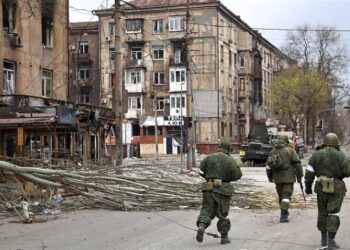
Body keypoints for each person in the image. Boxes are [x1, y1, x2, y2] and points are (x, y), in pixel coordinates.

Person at [305, 133, 350, 249]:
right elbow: (347, 171)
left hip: (321, 188)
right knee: (333, 213)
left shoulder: (316, 155)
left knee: (322, 213)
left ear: (324, 142)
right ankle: (331, 241)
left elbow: (309, 172)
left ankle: (323, 239)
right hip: (336, 188)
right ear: (336, 143)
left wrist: (308, 186)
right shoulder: (341, 156)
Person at [196, 140, 242, 244]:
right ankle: (224, 237)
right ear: (228, 149)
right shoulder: (230, 160)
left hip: (209, 186)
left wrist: (208, 178)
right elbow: (238, 175)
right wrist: (228, 179)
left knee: (207, 209)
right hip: (223, 187)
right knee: (223, 213)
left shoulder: (209, 157)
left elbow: (200, 171)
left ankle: (202, 226)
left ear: (219, 147)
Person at [266, 135, 303, 223]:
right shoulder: (290, 150)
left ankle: (284, 211)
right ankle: (284, 216)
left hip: (277, 178)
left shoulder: (272, 151)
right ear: (286, 141)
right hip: (288, 178)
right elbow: (297, 163)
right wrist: (300, 175)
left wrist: (270, 177)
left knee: (281, 196)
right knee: (286, 196)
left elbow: (268, 167)